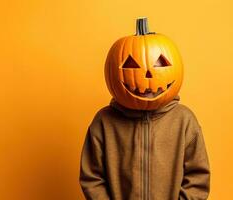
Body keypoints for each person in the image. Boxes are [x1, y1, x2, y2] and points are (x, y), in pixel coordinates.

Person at [79, 17, 210, 200]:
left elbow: (198, 178)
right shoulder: (104, 122)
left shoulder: (184, 121)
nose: (148, 75)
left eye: (160, 63)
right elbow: (92, 178)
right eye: (131, 65)